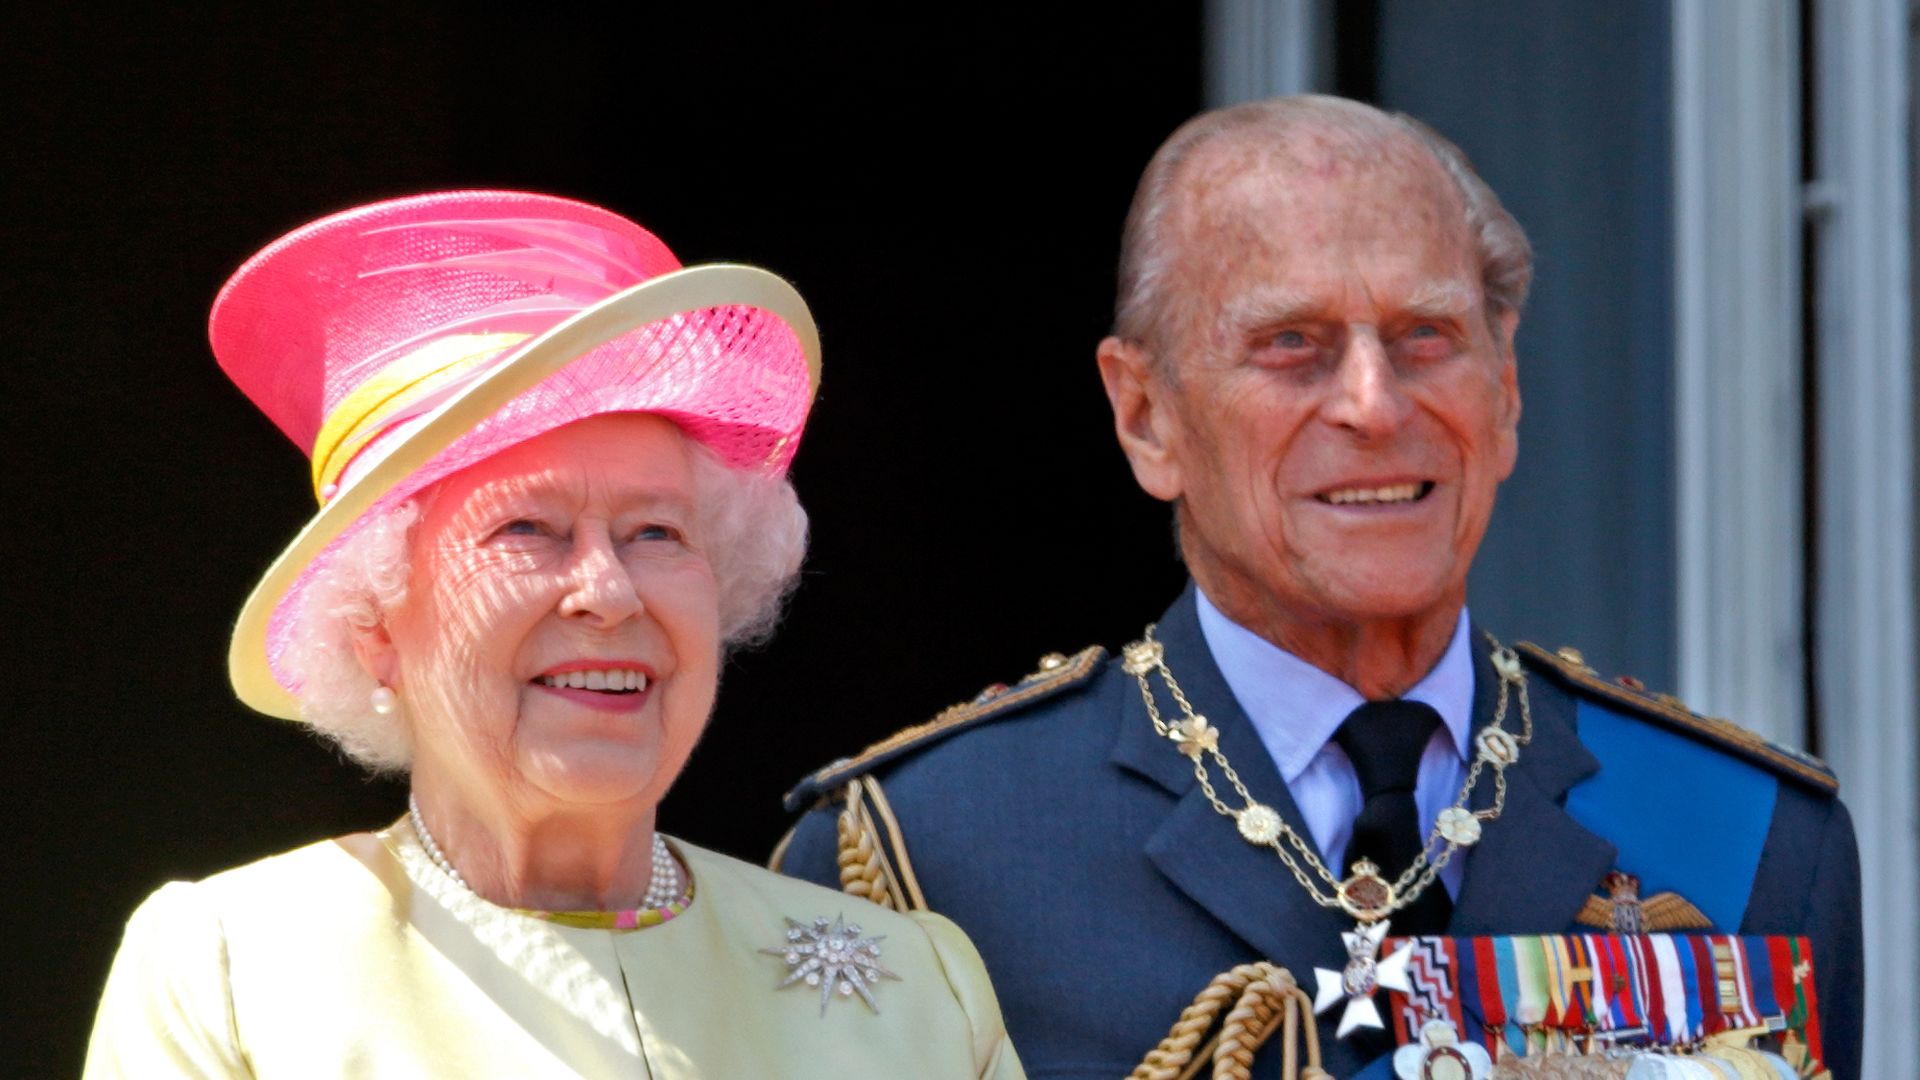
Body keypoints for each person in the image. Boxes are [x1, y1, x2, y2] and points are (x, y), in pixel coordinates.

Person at [777, 97, 1862, 1079]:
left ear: (1508, 388)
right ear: (1146, 416)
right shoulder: (932, 858)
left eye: (1425, 337)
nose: (1373, 405)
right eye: (1291, 344)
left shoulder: (1750, 832)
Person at [86, 191, 1024, 1079]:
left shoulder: (917, 991)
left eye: (656, 533)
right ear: (373, 624)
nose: (608, 593)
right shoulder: (231, 969)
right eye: (527, 530)